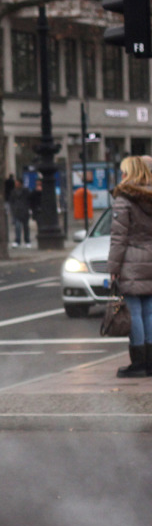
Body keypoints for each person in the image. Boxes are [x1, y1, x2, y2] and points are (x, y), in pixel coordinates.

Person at [107, 155, 152, 378]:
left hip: (132, 262)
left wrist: (113, 267)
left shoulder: (124, 199)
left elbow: (119, 237)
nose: (122, 175)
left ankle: (139, 363)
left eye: (124, 171)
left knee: (134, 312)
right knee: (150, 312)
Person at [7, 175, 32, 248]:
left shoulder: (25, 191)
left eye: (17, 183)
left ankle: (27, 240)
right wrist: (12, 209)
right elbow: (11, 201)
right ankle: (17, 240)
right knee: (17, 227)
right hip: (17, 211)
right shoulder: (13, 192)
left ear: (21, 184)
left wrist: (28, 208)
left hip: (25, 211)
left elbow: (29, 200)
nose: (16, 185)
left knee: (26, 227)